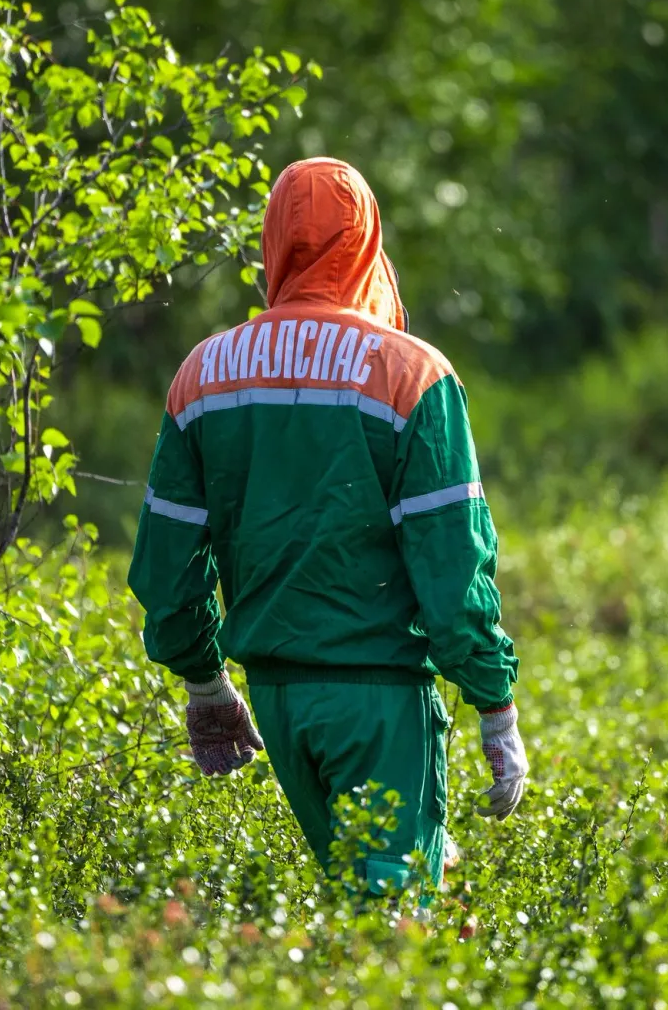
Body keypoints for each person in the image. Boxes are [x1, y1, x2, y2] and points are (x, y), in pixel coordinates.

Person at [128, 157, 527, 893]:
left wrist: (206, 686)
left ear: (273, 240)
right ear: (369, 238)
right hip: (379, 703)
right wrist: (495, 706)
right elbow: (452, 571)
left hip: (279, 703)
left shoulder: (204, 373)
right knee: (391, 925)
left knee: (368, 902)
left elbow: (166, 569)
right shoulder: (413, 374)